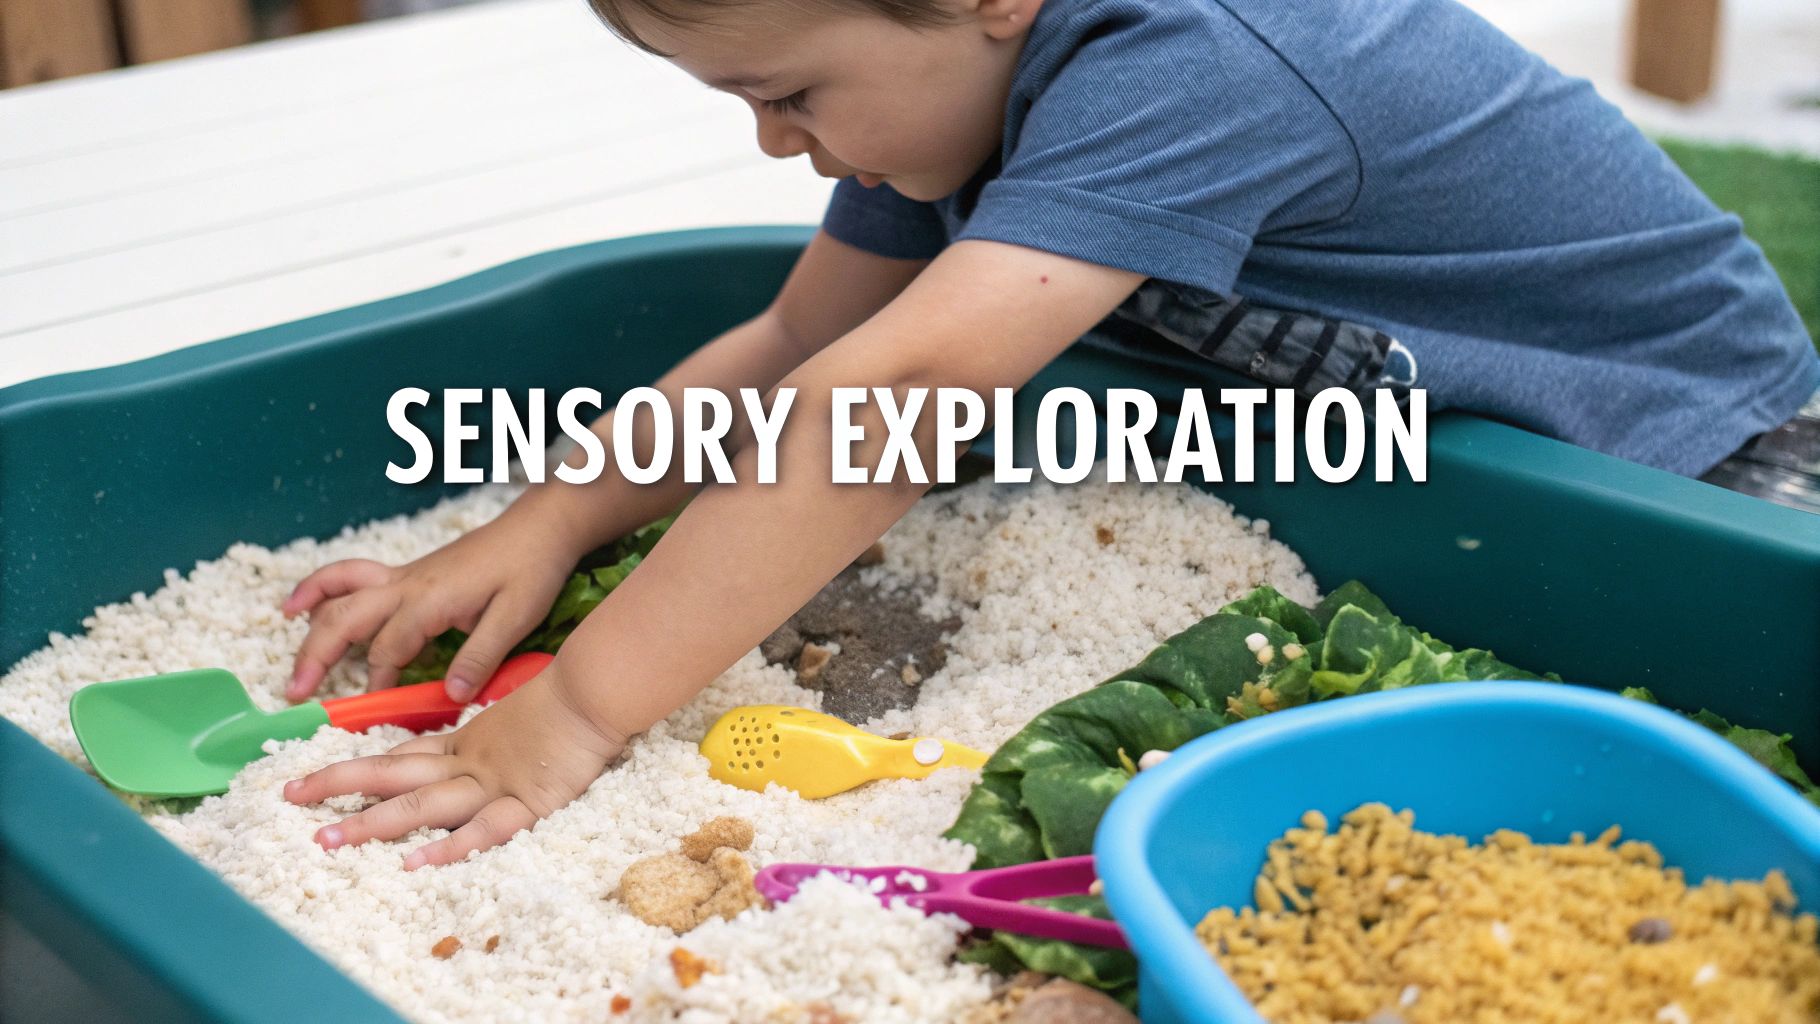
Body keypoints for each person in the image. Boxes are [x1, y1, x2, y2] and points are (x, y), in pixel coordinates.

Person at [279, 0, 1820, 867]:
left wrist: (577, 716)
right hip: (1407, 440)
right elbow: (804, 341)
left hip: (1703, 449)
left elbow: (888, 400)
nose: (774, 139)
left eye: (795, 90)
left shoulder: (1203, 52)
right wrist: (545, 523)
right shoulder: (961, 73)